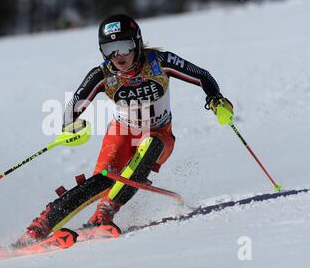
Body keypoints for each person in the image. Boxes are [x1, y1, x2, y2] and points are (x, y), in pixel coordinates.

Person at [14, 14, 233, 247]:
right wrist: (70, 127)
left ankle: (104, 213)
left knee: (151, 146)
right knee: (103, 180)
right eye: (110, 49)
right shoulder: (103, 75)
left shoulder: (159, 62)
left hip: (160, 133)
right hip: (121, 132)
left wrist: (216, 100)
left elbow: (202, 75)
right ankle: (39, 227)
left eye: (124, 46)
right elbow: (77, 101)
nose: (117, 56)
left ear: (137, 43)